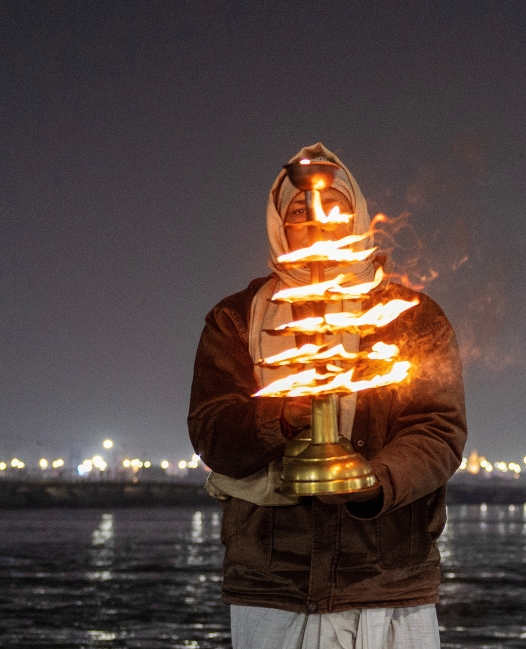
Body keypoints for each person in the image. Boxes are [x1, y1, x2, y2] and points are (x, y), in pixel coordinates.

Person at [188, 143, 467, 648]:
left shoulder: (409, 315)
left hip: (388, 582)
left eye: (332, 206)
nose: (316, 220)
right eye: (300, 210)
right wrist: (282, 414)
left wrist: (373, 482)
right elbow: (211, 431)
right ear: (280, 224)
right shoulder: (236, 318)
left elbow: (438, 431)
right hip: (273, 585)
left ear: (356, 216)